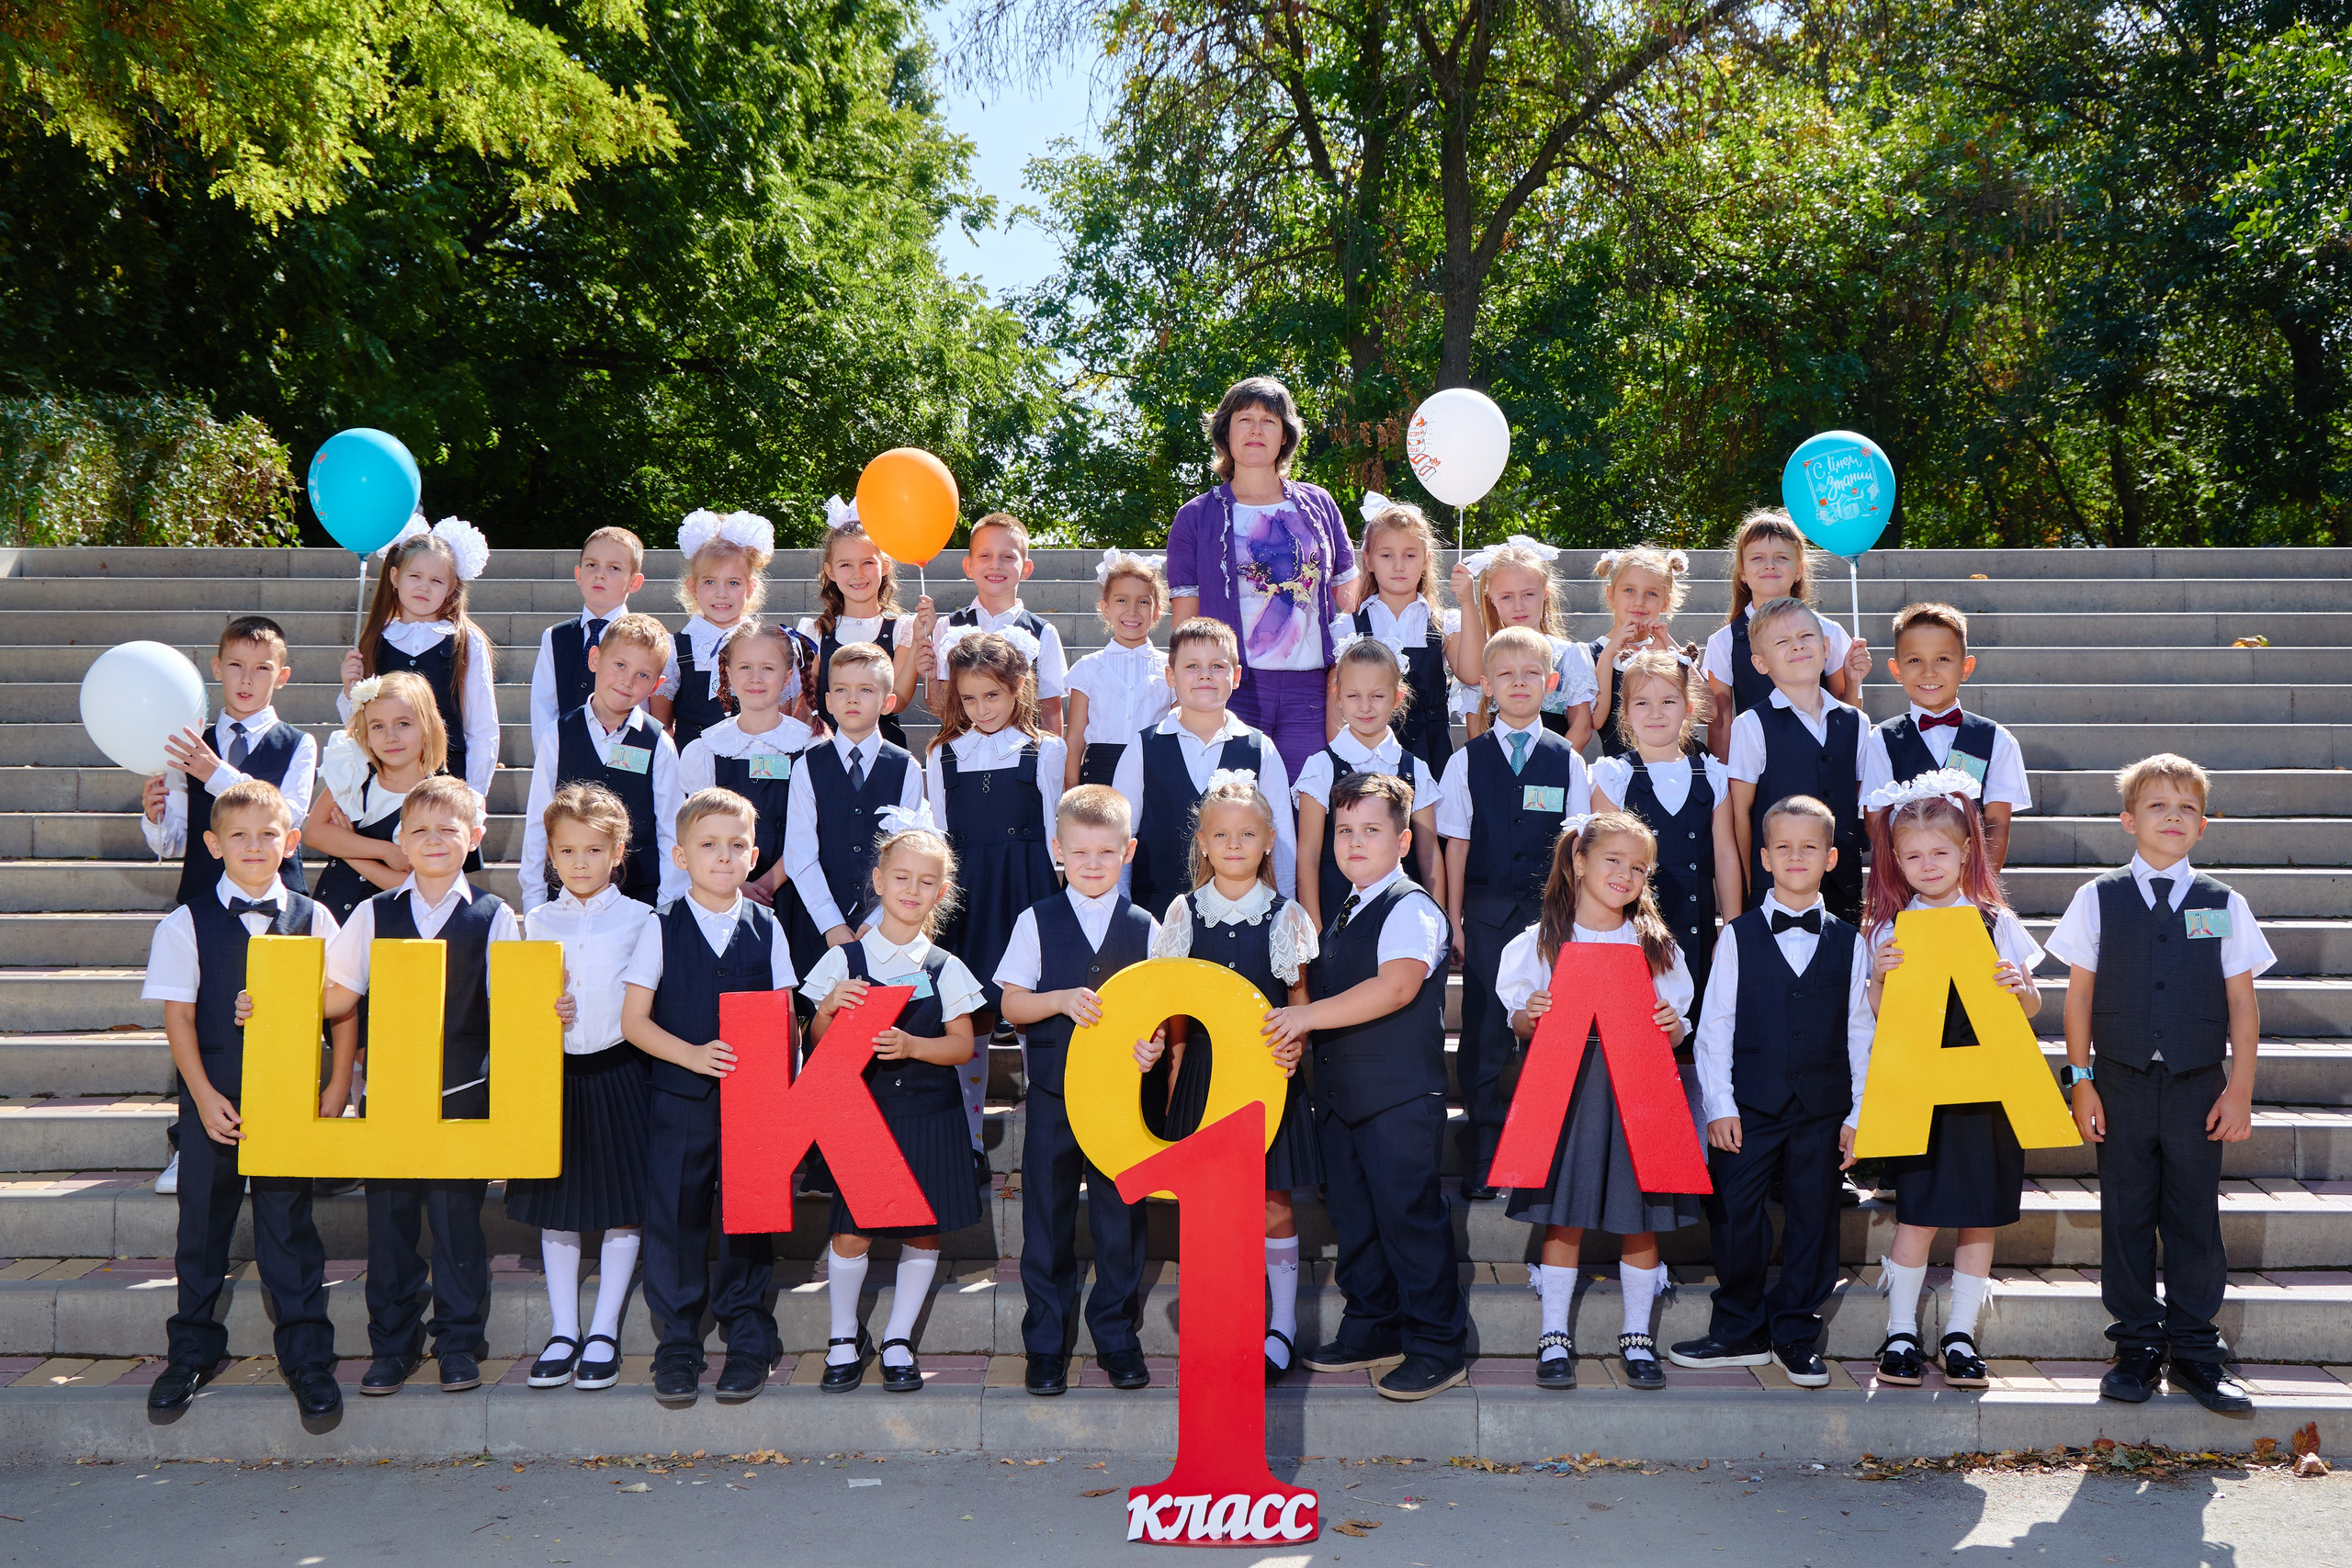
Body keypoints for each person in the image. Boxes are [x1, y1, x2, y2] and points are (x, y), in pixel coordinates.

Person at [2046, 753, 2272, 1415]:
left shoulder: (2222, 902)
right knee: (2126, 1213)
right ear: (2128, 819)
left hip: (2199, 1086)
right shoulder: (2098, 897)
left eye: (2187, 808)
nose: (2173, 816)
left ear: (2202, 826)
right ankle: (2137, 1346)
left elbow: (2243, 1003)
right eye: (2157, 805)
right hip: (2117, 1083)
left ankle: (2198, 1350)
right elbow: (2078, 997)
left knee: (2195, 1217)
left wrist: (2240, 1089)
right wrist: (2081, 1080)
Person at [139, 779, 346, 1421]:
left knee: (289, 1227)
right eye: (238, 836)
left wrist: (336, 1087)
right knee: (202, 1226)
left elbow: (342, 1006)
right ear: (213, 843)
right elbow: (178, 1019)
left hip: (287, 1097)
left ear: (290, 841)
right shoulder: (186, 921)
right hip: (215, 1097)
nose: (254, 847)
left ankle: (308, 1357)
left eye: (268, 835)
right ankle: (192, 1350)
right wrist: (201, 1098)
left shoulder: (316, 917)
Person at [322, 775, 522, 1395]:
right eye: (421, 830)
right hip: (388, 1102)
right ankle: (394, 1345)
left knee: (458, 1226)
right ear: (400, 840)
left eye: (448, 829)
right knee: (390, 1227)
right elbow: (339, 996)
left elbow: (508, 1008)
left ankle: (459, 1342)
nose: (434, 840)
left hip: (460, 1098)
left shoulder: (493, 915)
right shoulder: (371, 914)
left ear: (475, 836)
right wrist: (272, 1002)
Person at [1673, 795, 1872, 1388]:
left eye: (1808, 846)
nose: (1794, 855)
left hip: (1822, 1104)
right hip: (1750, 1103)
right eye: (1782, 846)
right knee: (1736, 1211)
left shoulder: (1850, 940)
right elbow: (1714, 1026)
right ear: (1762, 857)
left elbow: (1861, 1030)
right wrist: (1720, 1105)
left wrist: (1860, 1111)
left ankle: (1794, 1331)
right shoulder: (1736, 936)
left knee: (1814, 1218)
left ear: (1831, 857)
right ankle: (1738, 1327)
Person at [1498, 811, 1700, 1393]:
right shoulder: (1542, 942)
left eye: (1639, 868)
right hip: (1571, 1088)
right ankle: (1554, 1335)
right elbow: (1517, 1018)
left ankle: (1638, 1336)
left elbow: (1678, 1026)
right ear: (1579, 862)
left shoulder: (1654, 947)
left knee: (1640, 1218)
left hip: (1638, 1090)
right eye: (1613, 860)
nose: (1626, 874)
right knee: (1565, 1214)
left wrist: (1672, 1024)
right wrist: (1529, 1016)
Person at [1134, 770, 1322, 1381]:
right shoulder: (1183, 912)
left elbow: (1298, 997)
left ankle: (1282, 1324)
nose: (1234, 844)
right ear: (1204, 844)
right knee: (1209, 1203)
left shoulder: (1287, 915)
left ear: (1269, 839)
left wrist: (1295, 1045)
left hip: (1267, 1072)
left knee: (1273, 1200)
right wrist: (1165, 1057)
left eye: (1247, 833)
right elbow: (1169, 1003)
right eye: (1221, 834)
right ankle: (1221, 1317)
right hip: (1206, 1077)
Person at [1284, 773, 1466, 1402]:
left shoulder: (1411, 906)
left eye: (1370, 830)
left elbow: (1396, 986)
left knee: (1408, 1219)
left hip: (1397, 1097)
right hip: (1343, 1098)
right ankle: (1372, 1325)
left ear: (1403, 838)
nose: (1355, 842)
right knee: (1357, 1219)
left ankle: (1438, 1344)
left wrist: (1304, 1016)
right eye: (1344, 831)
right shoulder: (1349, 906)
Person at [1861, 771, 2042, 1393]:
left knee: (1978, 1216)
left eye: (1940, 851)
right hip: (1923, 1090)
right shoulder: (1890, 930)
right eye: (1912, 855)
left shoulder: (1996, 921)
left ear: (1968, 850)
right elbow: (1883, 1017)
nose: (1927, 864)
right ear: (1896, 861)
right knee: (1917, 1213)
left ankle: (1961, 1331)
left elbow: (2033, 1005)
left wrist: (2021, 989)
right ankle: (1901, 1330)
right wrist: (1880, 977)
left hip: (1986, 1088)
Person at [803, 803, 989, 1392]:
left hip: (928, 1115)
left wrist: (912, 1044)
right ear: (880, 881)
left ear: (942, 891)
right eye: (901, 878)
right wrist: (831, 1009)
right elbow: (815, 1040)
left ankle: (900, 1337)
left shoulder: (946, 966)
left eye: (927, 881)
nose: (912, 889)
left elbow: (962, 1047)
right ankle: (841, 1336)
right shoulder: (844, 959)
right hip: (862, 1117)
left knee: (922, 1227)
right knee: (852, 1229)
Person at [620, 788, 795, 1408]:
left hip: (752, 1104)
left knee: (746, 1216)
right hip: (679, 1097)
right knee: (675, 1214)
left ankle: (747, 1335)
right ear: (681, 854)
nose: (724, 856)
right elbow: (634, 1020)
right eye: (709, 845)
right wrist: (692, 1055)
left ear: (754, 855)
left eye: (737, 845)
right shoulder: (659, 925)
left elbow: (785, 1019)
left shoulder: (768, 926)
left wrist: (785, 1103)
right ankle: (678, 1342)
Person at [996, 785, 1161, 1395]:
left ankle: (1117, 1336)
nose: (1092, 863)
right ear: (1058, 850)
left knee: (1121, 1224)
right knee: (1046, 1221)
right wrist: (1060, 1000)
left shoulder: (1147, 926)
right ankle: (1046, 1342)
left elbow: (1160, 1015)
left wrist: (1155, 1047)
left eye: (1106, 851)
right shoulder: (1034, 920)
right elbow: (1011, 999)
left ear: (1128, 850)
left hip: (1122, 1104)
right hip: (1053, 1101)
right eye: (1080, 851)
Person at [509, 783, 655, 1393]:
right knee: (558, 1207)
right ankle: (564, 1329)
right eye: (566, 850)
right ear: (549, 853)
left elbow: (646, 1000)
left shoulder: (642, 918)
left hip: (622, 1071)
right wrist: (544, 1009)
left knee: (624, 1207)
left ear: (617, 852)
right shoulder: (536, 919)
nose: (580, 862)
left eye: (594, 850)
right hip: (557, 1075)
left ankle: (603, 1329)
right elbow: (515, 1003)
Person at [1437, 626, 1592, 1199]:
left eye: (1532, 675)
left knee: (1548, 1034)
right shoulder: (1466, 761)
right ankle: (1483, 1152)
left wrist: (1575, 920)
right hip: (1484, 916)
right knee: (1481, 1038)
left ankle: (1537, 1155)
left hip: (1549, 921)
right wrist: (1453, 917)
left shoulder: (1568, 761)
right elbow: (1456, 843)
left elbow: (1579, 845)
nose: (1519, 684)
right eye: (1506, 675)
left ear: (1551, 685)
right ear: (1487, 685)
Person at [1164, 376, 1363, 776]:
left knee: (1306, 802)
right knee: (1235, 805)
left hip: (1311, 688)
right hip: (1233, 688)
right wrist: (1185, 691)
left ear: (1285, 435)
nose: (1256, 429)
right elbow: (1187, 618)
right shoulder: (1194, 516)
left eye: (1269, 420)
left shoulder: (1319, 504)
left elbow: (1348, 597)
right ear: (1225, 431)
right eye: (1244, 419)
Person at [928, 629, 1066, 1156]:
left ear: (1019, 690)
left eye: (993, 695)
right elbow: (939, 834)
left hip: (1029, 896)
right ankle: (970, 1139)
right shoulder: (944, 755)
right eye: (969, 697)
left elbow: (1057, 832)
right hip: (969, 901)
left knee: (1034, 1012)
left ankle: (1045, 1133)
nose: (981, 708)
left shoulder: (1044, 751)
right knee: (973, 1013)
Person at [1113, 616, 1295, 915]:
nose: (1205, 675)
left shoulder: (1260, 748)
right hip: (1156, 914)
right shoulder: (1143, 747)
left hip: (1239, 917)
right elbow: (1119, 835)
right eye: (1192, 666)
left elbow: (1283, 839)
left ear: (1236, 676)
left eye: (1217, 666)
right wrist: (1121, 912)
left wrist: (1284, 911)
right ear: (1170, 676)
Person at [1590, 648, 1741, 1002]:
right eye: (1642, 703)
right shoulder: (1614, 777)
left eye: (1669, 701)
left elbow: (1726, 856)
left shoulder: (1713, 776)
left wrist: (1731, 927)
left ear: (1688, 708)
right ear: (1625, 712)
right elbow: (1604, 861)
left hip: (1697, 927)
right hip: (1632, 929)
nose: (1655, 713)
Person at [142, 615, 315, 904]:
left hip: (278, 900)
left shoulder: (299, 744)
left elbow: (288, 816)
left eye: (262, 668)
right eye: (235, 665)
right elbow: (174, 843)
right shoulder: (191, 746)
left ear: (282, 677)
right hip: (204, 897)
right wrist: (155, 817)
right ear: (217, 668)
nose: (246, 679)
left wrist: (216, 775)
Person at [518, 613, 683, 912]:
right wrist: (533, 900)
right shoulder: (557, 734)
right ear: (595, 659)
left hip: (639, 902)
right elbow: (537, 824)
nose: (627, 681)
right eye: (619, 665)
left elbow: (670, 831)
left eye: (642, 675)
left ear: (656, 685)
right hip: (566, 899)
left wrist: (666, 910)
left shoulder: (659, 744)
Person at [1860, 602, 2033, 873]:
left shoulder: (1997, 740)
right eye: (1914, 660)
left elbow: (1997, 824)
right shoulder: (1881, 739)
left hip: (1971, 887)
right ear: (1896, 670)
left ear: (1966, 667)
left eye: (1943, 659)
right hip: (1907, 887)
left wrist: (1976, 888)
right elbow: (1875, 821)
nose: (1929, 672)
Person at [680, 622, 818, 958]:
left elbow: (815, 830)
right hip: (722, 888)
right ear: (727, 671)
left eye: (768, 668)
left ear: (787, 676)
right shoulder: (706, 750)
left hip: (795, 891)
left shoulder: (811, 747)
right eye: (745, 667)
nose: (756, 678)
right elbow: (693, 833)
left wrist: (769, 882)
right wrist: (736, 881)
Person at [1725, 598, 1867, 922]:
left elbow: (1855, 799)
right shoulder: (1751, 725)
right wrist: (1754, 884)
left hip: (1841, 889)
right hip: (1774, 889)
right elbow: (1741, 813)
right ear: (1761, 663)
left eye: (1806, 636)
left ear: (1826, 646)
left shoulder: (1855, 722)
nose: (1798, 646)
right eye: (1782, 641)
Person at [338, 516, 497, 801]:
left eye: (436, 580)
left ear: (451, 587)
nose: (424, 586)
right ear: (395, 577)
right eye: (415, 576)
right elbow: (358, 724)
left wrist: (475, 795)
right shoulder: (377, 638)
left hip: (446, 780)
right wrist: (350, 691)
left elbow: (482, 726)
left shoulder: (465, 640)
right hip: (386, 779)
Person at [784, 641, 925, 953]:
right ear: (829, 702)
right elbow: (800, 854)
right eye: (842, 690)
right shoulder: (808, 765)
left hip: (886, 924)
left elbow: (907, 852)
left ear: (887, 702)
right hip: (819, 924)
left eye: (865, 690)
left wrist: (878, 918)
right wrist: (830, 922)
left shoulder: (906, 768)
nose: (852, 698)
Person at [1294, 636, 1442, 929]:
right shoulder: (1321, 767)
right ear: (1337, 695)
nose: (1365, 707)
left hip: (1402, 920)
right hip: (1336, 917)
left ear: (1398, 697)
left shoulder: (1415, 770)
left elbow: (1428, 853)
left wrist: (1438, 919)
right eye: (1353, 696)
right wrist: (1314, 925)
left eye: (1377, 696)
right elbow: (1308, 853)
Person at [1703, 509, 1871, 760]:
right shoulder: (1724, 642)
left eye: (1781, 557)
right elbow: (1720, 722)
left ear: (1799, 570)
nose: (1769, 564)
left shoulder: (1830, 633)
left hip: (1823, 763)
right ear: (1742, 572)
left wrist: (1853, 679)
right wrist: (1723, 783)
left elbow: (1846, 711)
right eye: (1757, 558)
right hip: (1759, 771)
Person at [1328, 496, 1455, 778]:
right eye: (1386, 555)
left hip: (1432, 752)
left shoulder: (1443, 624)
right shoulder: (1350, 626)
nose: (1399, 565)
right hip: (1369, 754)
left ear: (1425, 560)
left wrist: (1468, 603)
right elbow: (1336, 704)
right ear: (1369, 560)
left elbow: (1471, 675)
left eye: (1409, 555)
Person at [917, 512, 1070, 735]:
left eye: (1007, 557)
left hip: (1021, 757)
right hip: (964, 753)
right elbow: (940, 707)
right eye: (985, 556)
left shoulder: (1043, 632)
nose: (995, 565)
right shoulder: (948, 626)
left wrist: (1054, 764)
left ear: (1026, 569)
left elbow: (1050, 710)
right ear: (968, 566)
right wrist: (930, 675)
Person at [798, 500, 926, 751]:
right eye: (846, 564)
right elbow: (806, 701)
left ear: (885, 566)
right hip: (828, 750)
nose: (858, 573)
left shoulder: (902, 629)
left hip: (885, 751)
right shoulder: (817, 632)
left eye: (867, 562)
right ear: (830, 571)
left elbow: (897, 701)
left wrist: (919, 642)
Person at [1446, 536, 1596, 746]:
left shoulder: (1568, 655)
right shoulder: (1482, 656)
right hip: (1496, 772)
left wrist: (1552, 767)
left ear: (1545, 593)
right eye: (1507, 597)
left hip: (1551, 771)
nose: (1519, 606)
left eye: (1528, 594)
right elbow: (1476, 730)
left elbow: (1581, 729)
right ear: (1491, 598)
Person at [653, 508, 776, 755]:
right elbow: (662, 724)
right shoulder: (676, 648)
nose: (722, 593)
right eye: (710, 582)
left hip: (751, 767)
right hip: (692, 770)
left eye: (733, 582)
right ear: (693, 587)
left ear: (750, 588)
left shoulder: (769, 645)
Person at [1064, 547, 1172, 789]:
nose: (1132, 610)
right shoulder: (1088, 668)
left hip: (1153, 772)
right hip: (1099, 774)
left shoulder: (1170, 668)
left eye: (1143, 602)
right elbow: (1075, 737)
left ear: (1156, 612)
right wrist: (1070, 787)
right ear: (1105, 608)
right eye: (1121, 600)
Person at [529, 525, 647, 739]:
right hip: (566, 759)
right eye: (592, 565)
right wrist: (551, 759)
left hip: (625, 760)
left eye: (614, 568)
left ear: (634, 582)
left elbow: (647, 710)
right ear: (579, 574)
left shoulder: (646, 640)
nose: (600, 575)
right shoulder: (555, 637)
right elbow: (543, 707)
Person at [1586, 547, 1693, 761]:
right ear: (1611, 595)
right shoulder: (1593, 653)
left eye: (1651, 593)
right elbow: (1596, 720)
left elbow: (1710, 712)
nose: (1639, 602)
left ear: (1666, 602)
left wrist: (1671, 648)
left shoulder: (1669, 649)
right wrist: (1609, 653)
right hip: (1625, 773)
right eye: (1629, 591)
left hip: (1679, 766)